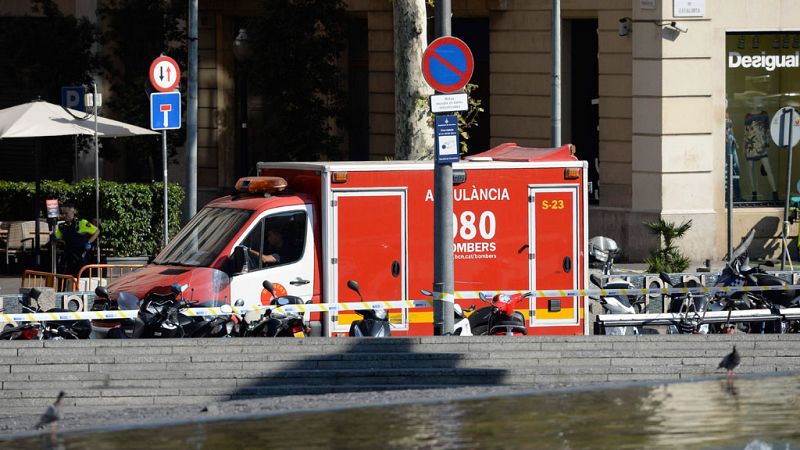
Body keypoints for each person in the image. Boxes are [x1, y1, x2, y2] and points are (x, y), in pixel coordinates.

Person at [53, 203, 100, 276]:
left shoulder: (82, 223)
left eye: (66, 213)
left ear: (73, 212)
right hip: (68, 257)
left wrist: (89, 242)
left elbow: (97, 231)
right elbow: (57, 237)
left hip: (80, 257)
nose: (64, 216)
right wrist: (53, 237)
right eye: (63, 214)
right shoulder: (62, 226)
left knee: (80, 277)